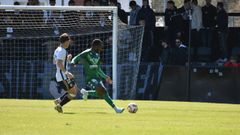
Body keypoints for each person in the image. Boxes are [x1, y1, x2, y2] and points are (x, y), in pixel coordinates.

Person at [71, 39, 124, 113]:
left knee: (101, 94)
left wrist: (105, 76)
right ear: (95, 46)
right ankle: (116, 109)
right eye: (100, 46)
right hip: (89, 78)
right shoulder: (87, 53)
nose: (101, 48)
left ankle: (87, 92)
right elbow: (76, 57)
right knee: (103, 92)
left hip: (97, 78)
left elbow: (98, 69)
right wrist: (73, 62)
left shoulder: (97, 55)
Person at [53, 33, 79, 113]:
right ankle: (59, 105)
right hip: (62, 76)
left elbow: (54, 62)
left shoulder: (57, 50)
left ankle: (59, 100)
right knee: (73, 93)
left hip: (61, 75)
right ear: (66, 41)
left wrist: (67, 59)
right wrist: (66, 72)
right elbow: (58, 62)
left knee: (74, 89)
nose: (69, 43)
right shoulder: (62, 51)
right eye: (68, 41)